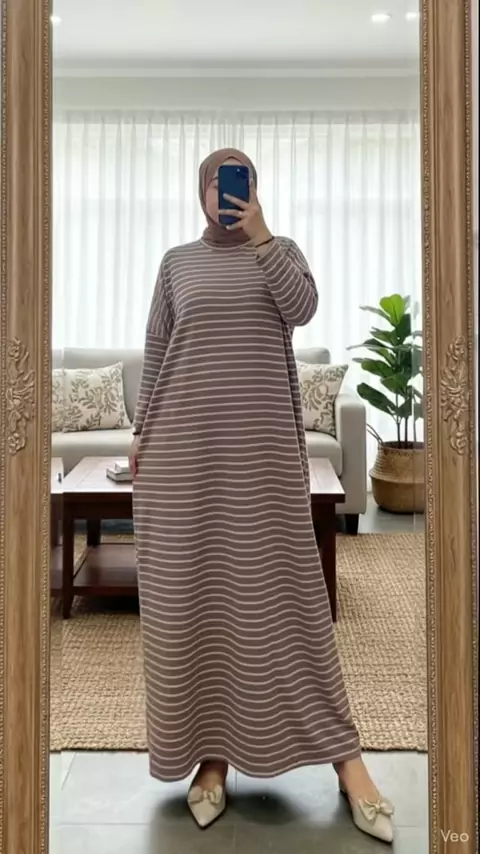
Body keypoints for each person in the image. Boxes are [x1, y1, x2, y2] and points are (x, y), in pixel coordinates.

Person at [129, 147, 394, 842]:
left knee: (288, 598)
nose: (227, 191)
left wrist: (263, 235)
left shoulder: (281, 251)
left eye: (239, 179)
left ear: (254, 189)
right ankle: (211, 759)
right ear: (200, 192)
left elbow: (302, 310)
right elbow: (157, 350)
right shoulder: (176, 264)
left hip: (265, 459)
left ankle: (346, 760)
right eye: (218, 181)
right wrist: (141, 433)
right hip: (185, 453)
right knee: (200, 600)